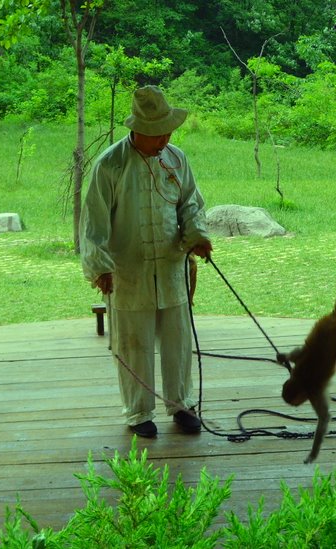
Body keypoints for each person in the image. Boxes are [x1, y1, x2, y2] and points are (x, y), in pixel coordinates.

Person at [80, 86, 212, 438]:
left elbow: (191, 205)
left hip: (171, 268)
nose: (164, 138)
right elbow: (93, 223)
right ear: (137, 130)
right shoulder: (111, 164)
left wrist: (196, 237)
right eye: (157, 133)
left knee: (178, 341)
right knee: (132, 343)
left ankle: (181, 404)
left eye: (167, 131)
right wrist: (100, 267)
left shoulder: (177, 159)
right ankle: (139, 413)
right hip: (128, 271)